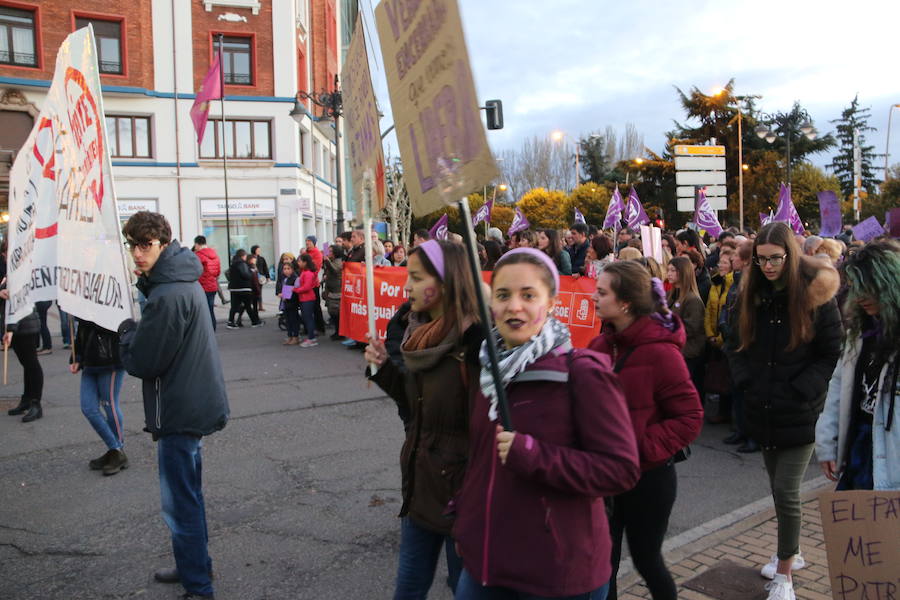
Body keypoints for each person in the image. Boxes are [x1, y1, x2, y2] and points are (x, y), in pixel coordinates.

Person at [453, 249, 641, 600]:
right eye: (503, 295)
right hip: (485, 568)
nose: (514, 307)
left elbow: (620, 470)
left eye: (528, 295)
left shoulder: (582, 373)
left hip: (557, 577)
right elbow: (481, 461)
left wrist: (532, 455)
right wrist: (467, 522)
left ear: (552, 303)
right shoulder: (488, 373)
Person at [726, 222, 841, 600]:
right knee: (778, 491)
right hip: (763, 407)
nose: (768, 266)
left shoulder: (815, 295)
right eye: (761, 260)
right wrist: (747, 382)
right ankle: (792, 552)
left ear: (791, 255)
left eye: (775, 258)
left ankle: (785, 575)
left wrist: (801, 389)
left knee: (786, 491)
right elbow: (735, 343)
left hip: (801, 409)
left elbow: (830, 352)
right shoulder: (751, 293)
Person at [118, 211, 228, 600]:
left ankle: (198, 585)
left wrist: (127, 333)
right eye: (133, 244)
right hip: (192, 401)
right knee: (188, 494)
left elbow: (144, 362)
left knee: (180, 501)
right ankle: (194, 566)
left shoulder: (168, 294)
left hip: (180, 408)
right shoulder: (179, 281)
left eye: (145, 245)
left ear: (163, 244)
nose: (137, 253)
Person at [363, 240, 483, 599]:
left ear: (446, 282)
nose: (406, 286)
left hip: (461, 499)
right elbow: (417, 409)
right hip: (420, 488)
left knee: (463, 588)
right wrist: (383, 368)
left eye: (416, 277)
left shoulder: (474, 345)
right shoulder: (418, 335)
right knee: (408, 589)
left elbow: (486, 435)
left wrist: (475, 507)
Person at [589, 261, 703, 600]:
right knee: (601, 564)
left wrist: (635, 449)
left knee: (646, 559)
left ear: (624, 302)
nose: (593, 297)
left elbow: (690, 417)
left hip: (648, 479)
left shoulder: (661, 353)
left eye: (601, 292)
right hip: (602, 477)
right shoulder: (598, 346)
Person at [816, 239, 900, 491]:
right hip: (860, 446)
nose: (860, 296)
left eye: (868, 287)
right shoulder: (860, 333)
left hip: (893, 452)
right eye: (855, 287)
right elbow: (840, 385)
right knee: (863, 529)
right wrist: (827, 443)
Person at [70, 319, 128, 475]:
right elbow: (81, 331)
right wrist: (76, 356)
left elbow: (119, 327)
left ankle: (117, 450)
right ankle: (115, 449)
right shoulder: (84, 305)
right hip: (90, 363)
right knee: (88, 408)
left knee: (110, 405)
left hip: (110, 360)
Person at [1, 238, 44, 423]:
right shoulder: (10, 269)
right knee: (26, 363)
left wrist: (10, 328)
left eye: (6, 253)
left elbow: (22, 302)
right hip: (14, 325)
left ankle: (36, 402)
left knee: (31, 363)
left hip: (26, 324)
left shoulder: (26, 269)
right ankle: (27, 399)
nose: (4, 257)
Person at [667, 256, 706, 402]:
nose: (669, 273)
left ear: (683, 273)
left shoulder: (692, 299)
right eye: (668, 270)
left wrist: (667, 325)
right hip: (674, 350)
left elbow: (691, 328)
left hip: (688, 352)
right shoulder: (671, 296)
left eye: (673, 270)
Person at [704, 248, 735, 424]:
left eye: (724, 263)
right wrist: (709, 334)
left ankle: (728, 414)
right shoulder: (715, 282)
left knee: (727, 377)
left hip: (724, 338)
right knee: (719, 376)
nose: (720, 266)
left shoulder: (732, 284)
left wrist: (721, 338)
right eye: (720, 262)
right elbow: (709, 309)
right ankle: (721, 412)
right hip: (713, 336)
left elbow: (729, 315)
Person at [226, 249, 262, 329]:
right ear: (243, 256)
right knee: (248, 305)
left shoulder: (233, 264)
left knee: (234, 306)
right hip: (244, 288)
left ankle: (230, 321)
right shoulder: (242, 264)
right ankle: (254, 321)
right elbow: (246, 275)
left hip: (234, 288)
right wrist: (251, 272)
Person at [193, 236, 221, 331]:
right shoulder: (215, 255)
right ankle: (212, 330)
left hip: (202, 287)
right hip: (213, 287)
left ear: (197, 244)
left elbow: (194, 271)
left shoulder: (198, 255)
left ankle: (206, 332)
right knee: (210, 310)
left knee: (203, 312)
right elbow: (217, 272)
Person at [295, 253, 319, 348]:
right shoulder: (305, 272)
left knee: (308, 319)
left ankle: (311, 338)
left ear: (305, 262)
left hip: (307, 298)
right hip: (305, 298)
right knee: (307, 318)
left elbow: (307, 287)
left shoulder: (308, 273)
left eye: (300, 261)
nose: (298, 263)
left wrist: (296, 290)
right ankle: (311, 337)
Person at [323, 244, 344, 340]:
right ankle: (337, 331)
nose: (328, 252)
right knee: (333, 313)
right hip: (330, 290)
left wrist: (326, 260)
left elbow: (335, 270)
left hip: (337, 291)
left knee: (336, 313)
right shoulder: (331, 261)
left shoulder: (338, 262)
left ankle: (340, 332)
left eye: (330, 251)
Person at [278, 261, 301, 345]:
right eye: (284, 269)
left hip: (292, 302)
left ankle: (296, 337)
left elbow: (295, 291)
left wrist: (284, 294)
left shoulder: (295, 278)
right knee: (288, 320)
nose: (286, 270)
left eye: (288, 268)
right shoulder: (284, 279)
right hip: (286, 302)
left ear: (292, 269)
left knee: (293, 320)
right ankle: (290, 336)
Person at [250, 245, 270, 311]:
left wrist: (268, 277)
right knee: (253, 292)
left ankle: (260, 306)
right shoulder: (250, 258)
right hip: (252, 277)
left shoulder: (261, 258)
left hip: (260, 278)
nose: (259, 251)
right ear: (254, 250)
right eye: (257, 250)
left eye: (259, 250)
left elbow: (265, 268)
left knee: (259, 292)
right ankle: (252, 305)